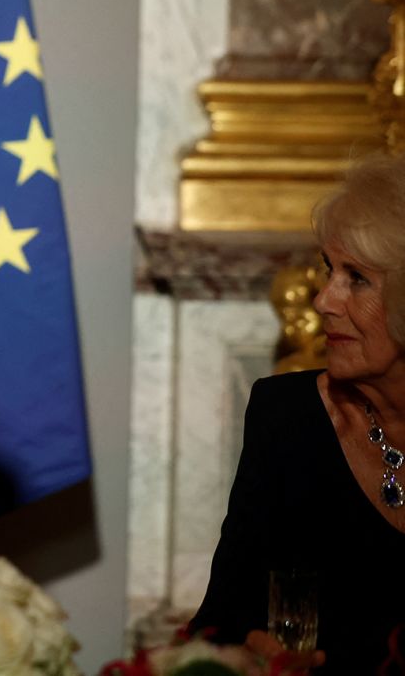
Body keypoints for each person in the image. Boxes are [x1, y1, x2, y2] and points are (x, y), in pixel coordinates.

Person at [192, 155, 405, 671]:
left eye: (357, 279)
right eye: (331, 271)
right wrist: (248, 649)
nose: (322, 300)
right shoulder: (286, 418)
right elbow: (218, 622)